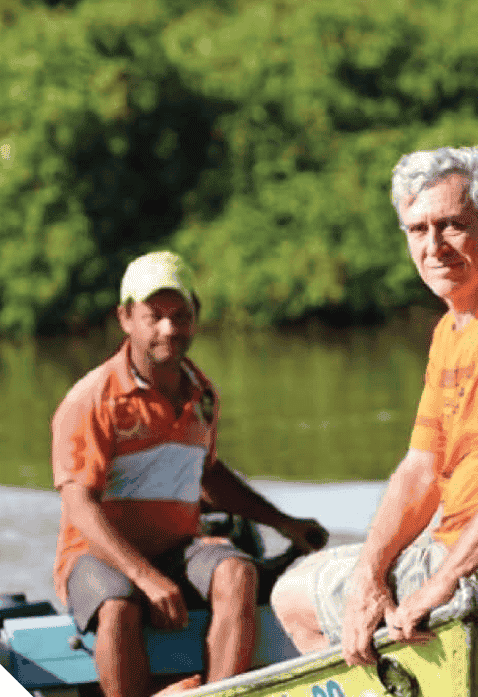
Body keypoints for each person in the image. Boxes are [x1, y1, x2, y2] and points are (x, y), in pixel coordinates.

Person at [270, 146, 478, 666]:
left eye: (452, 225)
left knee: (291, 596)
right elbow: (420, 471)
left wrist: (440, 584)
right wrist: (369, 575)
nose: (434, 247)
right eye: (417, 229)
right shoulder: (451, 330)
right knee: (358, 579)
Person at [51, 250, 328, 697]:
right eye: (154, 316)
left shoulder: (202, 394)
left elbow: (208, 475)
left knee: (238, 572)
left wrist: (284, 523)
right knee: (119, 604)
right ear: (126, 318)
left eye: (180, 315)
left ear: (195, 315)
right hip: (97, 558)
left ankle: (222, 693)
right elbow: (78, 505)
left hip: (176, 550)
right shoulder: (91, 399)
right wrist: (145, 577)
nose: (169, 329)